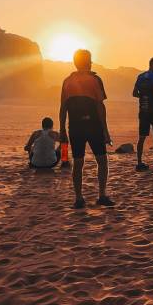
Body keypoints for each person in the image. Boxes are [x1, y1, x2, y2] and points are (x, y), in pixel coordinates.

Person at [59, 49, 114, 209]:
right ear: (88, 61)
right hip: (93, 125)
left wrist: (62, 129)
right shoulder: (95, 80)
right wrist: (106, 131)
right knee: (102, 160)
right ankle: (102, 195)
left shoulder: (67, 81)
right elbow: (100, 106)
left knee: (78, 162)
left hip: (75, 126)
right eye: (89, 60)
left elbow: (63, 107)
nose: (91, 62)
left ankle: (79, 198)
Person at [133, 57, 153, 171]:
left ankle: (139, 163)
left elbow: (134, 93)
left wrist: (143, 96)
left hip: (143, 109)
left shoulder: (140, 77)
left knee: (141, 137)